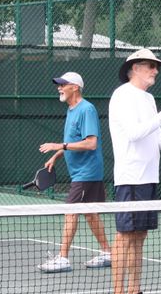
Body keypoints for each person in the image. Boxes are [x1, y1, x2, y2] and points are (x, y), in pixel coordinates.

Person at [106, 49, 161, 294]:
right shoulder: (122, 96)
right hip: (130, 178)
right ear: (134, 68)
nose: (156, 70)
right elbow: (133, 133)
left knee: (140, 236)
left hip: (149, 177)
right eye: (150, 66)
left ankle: (134, 293)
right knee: (124, 236)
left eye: (157, 67)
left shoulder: (149, 99)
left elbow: (155, 138)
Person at [36, 72, 111, 273]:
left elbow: (91, 143)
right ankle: (108, 252)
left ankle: (63, 258)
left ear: (75, 87)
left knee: (71, 211)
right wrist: (56, 156)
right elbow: (73, 140)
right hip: (81, 172)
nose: (59, 88)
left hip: (87, 172)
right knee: (90, 214)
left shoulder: (87, 109)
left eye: (63, 85)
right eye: (58, 85)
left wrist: (58, 146)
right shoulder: (71, 110)